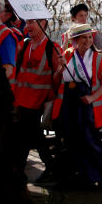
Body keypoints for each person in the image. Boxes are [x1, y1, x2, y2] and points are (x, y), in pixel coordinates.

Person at [51, 24, 102, 187]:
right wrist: (60, 68)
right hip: (69, 103)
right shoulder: (67, 55)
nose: (87, 41)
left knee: (90, 139)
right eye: (83, 38)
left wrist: (93, 97)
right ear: (75, 40)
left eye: (89, 37)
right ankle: (75, 174)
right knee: (71, 140)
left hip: (87, 105)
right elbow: (56, 79)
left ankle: (100, 173)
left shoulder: (98, 57)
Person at [11, 18, 62, 183]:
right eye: (27, 22)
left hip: (38, 101)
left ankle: (22, 171)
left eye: (32, 22)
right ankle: (49, 168)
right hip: (20, 99)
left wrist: (60, 71)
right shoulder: (23, 45)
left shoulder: (52, 48)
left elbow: (58, 78)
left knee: (27, 136)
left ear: (43, 23)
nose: (28, 26)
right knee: (29, 135)